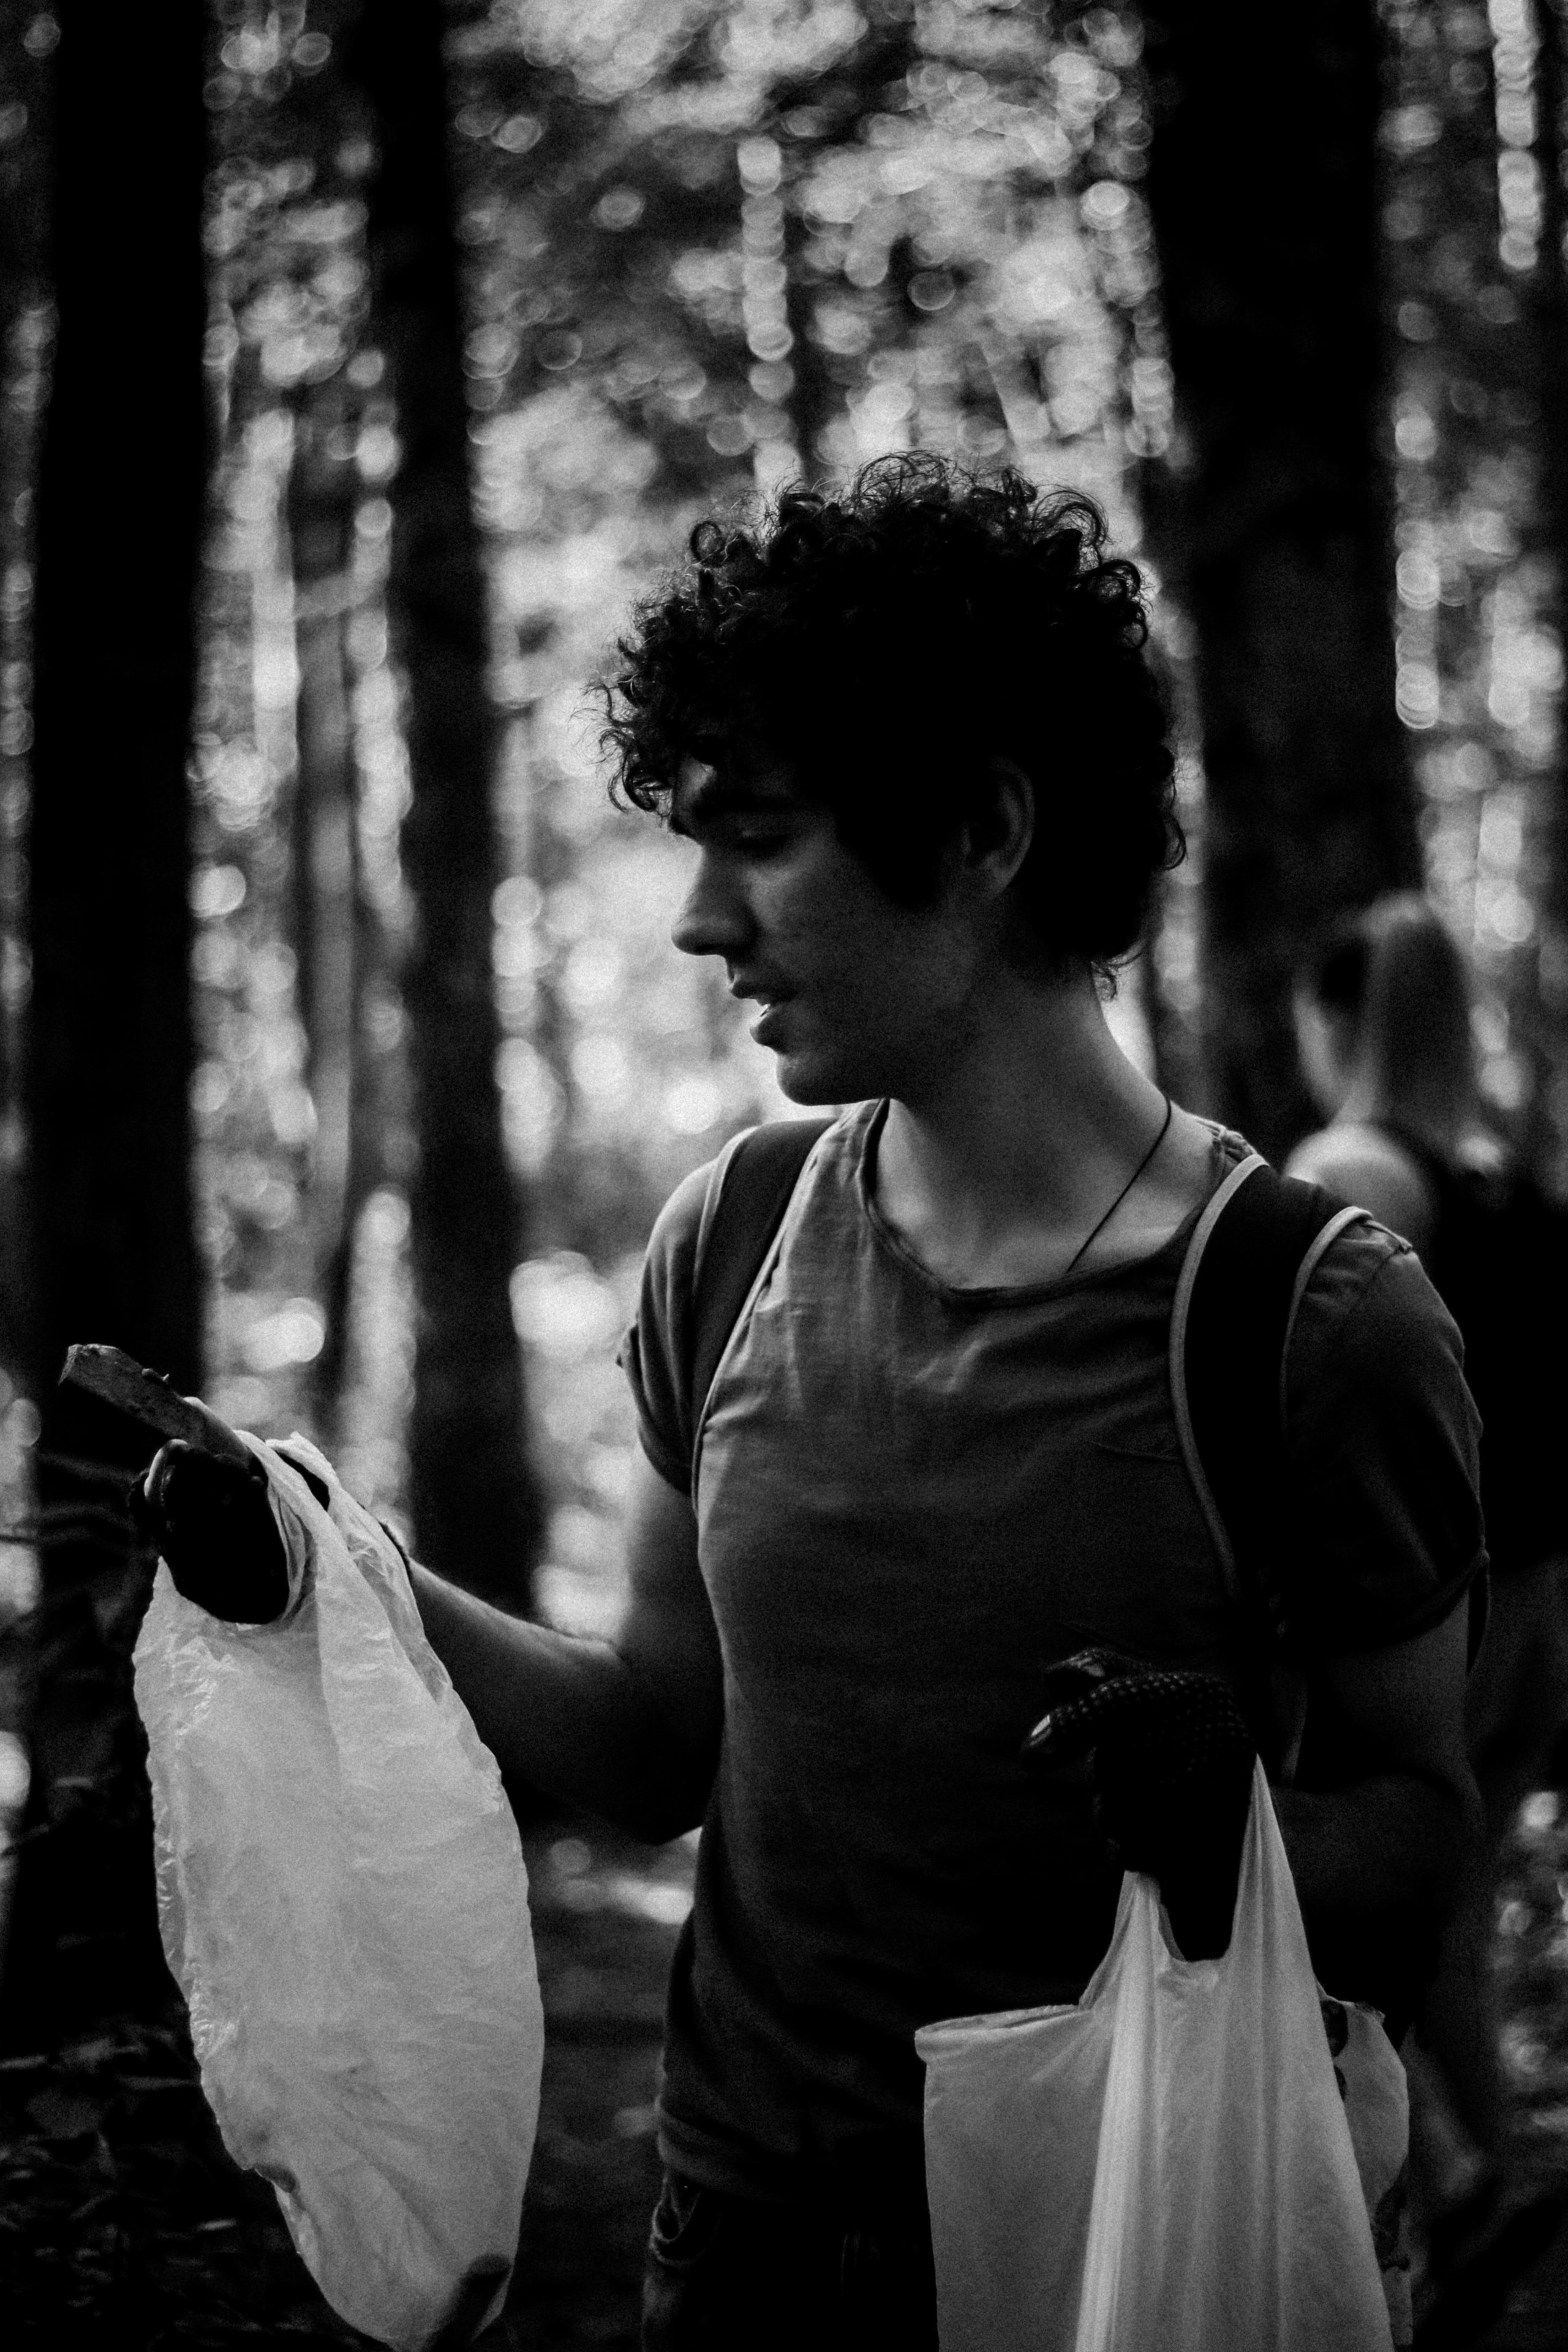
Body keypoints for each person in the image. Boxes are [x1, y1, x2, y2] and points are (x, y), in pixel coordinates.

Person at [138, 461, 1484, 2350]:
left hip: (1133, 2249)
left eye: (755, 839)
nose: (701, 922)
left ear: (987, 828)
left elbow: (1427, 1832)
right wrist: (327, 1560)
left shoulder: (1308, 1318)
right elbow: (652, 1745)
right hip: (743, 2246)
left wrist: (1235, 1820)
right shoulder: (738, 1237)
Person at [1289, 894, 1568, 2329]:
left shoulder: (1353, 1169)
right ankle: (1485, 2175)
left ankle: (1432, 2190)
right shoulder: (1504, 1173)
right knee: (1449, 1907)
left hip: (1439, 1614)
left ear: (1332, 1018)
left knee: (1375, 1909)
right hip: (1538, 1611)